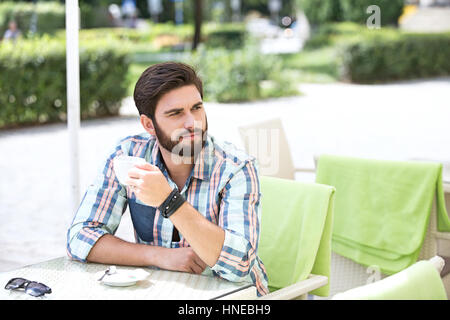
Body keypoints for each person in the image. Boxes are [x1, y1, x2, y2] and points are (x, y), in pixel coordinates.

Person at [66, 62, 269, 296]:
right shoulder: (128, 156)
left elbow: (240, 264)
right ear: (149, 125)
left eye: (196, 108)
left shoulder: (236, 168)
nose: (192, 122)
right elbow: (80, 237)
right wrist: (159, 256)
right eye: (175, 113)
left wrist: (169, 201)